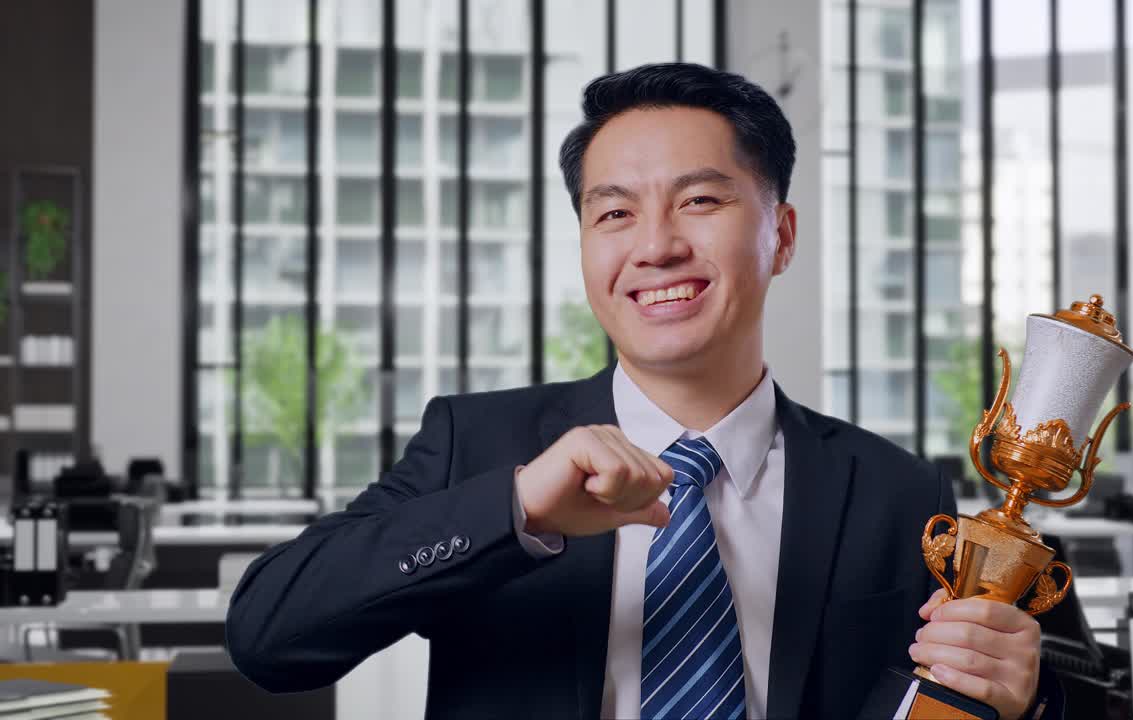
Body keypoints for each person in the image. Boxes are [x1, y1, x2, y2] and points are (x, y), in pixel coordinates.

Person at [226, 63, 1061, 720]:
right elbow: (268, 637)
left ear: (781, 235)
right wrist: (518, 512)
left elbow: (1048, 697)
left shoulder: (898, 489)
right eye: (614, 214)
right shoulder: (477, 446)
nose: (655, 247)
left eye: (700, 200)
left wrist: (1019, 698)